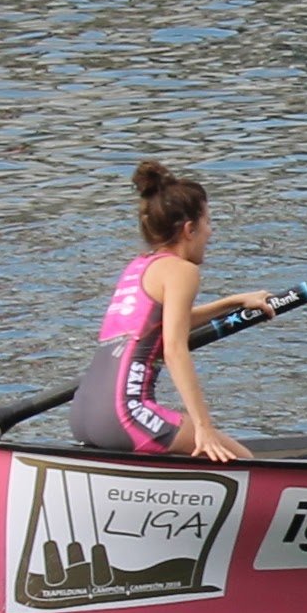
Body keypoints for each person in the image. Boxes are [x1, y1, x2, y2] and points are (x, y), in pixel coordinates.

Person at [71, 162, 268, 461]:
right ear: (189, 229)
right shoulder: (181, 270)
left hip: (85, 412)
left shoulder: (139, 266)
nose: (210, 233)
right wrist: (204, 427)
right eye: (208, 222)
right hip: (126, 414)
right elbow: (175, 349)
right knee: (244, 462)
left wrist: (233, 303)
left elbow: (162, 326)